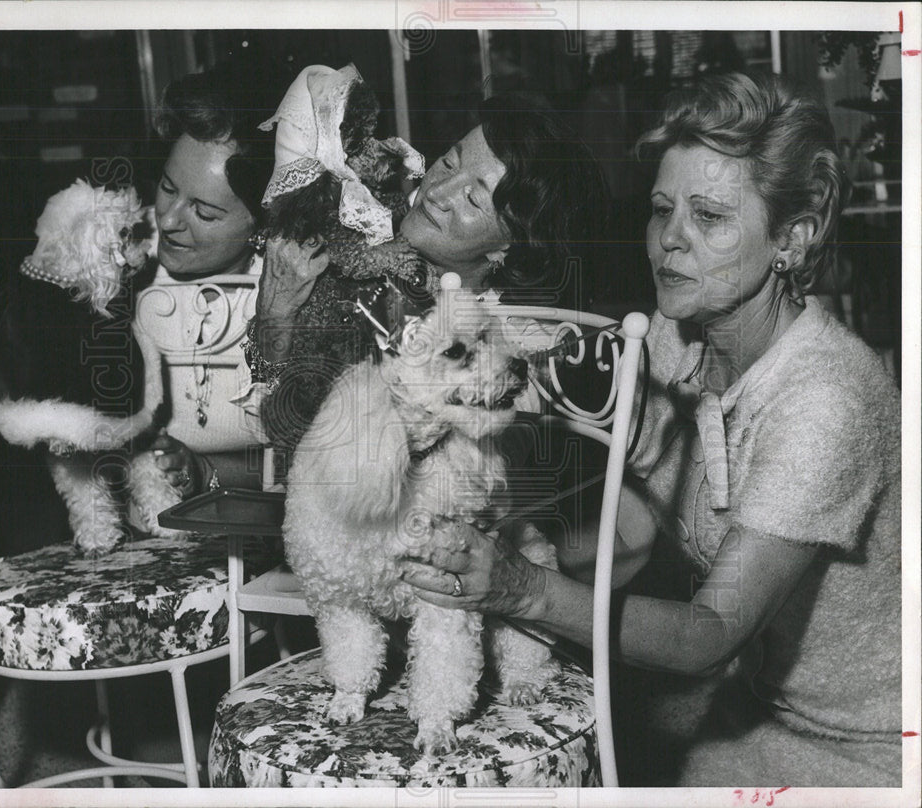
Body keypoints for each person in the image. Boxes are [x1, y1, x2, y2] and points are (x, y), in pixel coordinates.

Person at [402, 72, 902, 786]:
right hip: (750, 705)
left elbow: (711, 633)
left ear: (790, 239)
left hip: (872, 745)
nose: (670, 240)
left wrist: (520, 588)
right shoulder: (673, 335)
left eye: (711, 217)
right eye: (662, 208)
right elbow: (549, 361)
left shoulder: (827, 397)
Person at [248, 91, 610, 456]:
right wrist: (275, 314)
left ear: (510, 248)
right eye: (450, 163)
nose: (437, 191)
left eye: (472, 199)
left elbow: (383, 458)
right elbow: (266, 429)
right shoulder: (355, 251)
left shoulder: (516, 346)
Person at [133, 63, 328, 495]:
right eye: (167, 187)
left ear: (263, 225)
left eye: (203, 212)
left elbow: (305, 462)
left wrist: (204, 473)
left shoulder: (295, 290)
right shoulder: (125, 255)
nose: (167, 219)